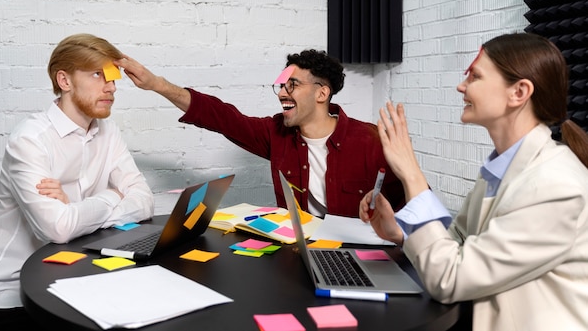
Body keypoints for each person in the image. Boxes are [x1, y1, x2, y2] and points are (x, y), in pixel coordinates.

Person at [359, 33, 588, 331]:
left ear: (518, 92)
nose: (461, 86)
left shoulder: (555, 185)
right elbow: (456, 243)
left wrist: (412, 175)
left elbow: (450, 279)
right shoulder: (502, 168)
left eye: (475, 76)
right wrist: (400, 233)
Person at [0, 34, 155, 331]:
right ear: (65, 81)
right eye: (98, 74)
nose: (112, 86)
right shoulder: (30, 139)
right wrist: (112, 196)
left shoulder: (107, 130)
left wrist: (75, 209)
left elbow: (144, 201)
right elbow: (58, 228)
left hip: (72, 280)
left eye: (113, 76)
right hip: (8, 294)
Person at [115, 49, 404, 218]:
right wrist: (157, 84)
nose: (282, 93)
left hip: (357, 258)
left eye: (292, 85)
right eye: (280, 85)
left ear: (322, 93)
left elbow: (416, 210)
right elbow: (222, 117)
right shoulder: (276, 133)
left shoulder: (372, 140)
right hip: (300, 257)